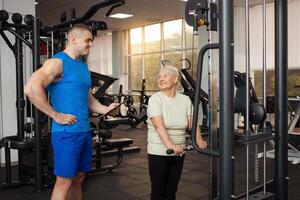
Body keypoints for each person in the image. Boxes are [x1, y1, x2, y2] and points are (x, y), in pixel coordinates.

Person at [24, 24, 117, 200]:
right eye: (88, 40)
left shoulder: (83, 67)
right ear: (74, 39)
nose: (91, 44)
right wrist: (55, 115)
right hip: (66, 133)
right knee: (64, 181)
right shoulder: (57, 63)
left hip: (84, 130)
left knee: (79, 178)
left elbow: (90, 101)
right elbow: (30, 88)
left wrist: (107, 109)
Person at [147, 65, 207, 200]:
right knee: (158, 191)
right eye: (159, 76)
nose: (160, 79)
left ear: (175, 80)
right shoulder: (155, 99)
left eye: (165, 76)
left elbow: (193, 123)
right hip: (159, 151)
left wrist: (199, 140)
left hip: (179, 151)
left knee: (171, 191)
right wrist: (171, 145)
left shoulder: (185, 100)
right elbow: (159, 126)